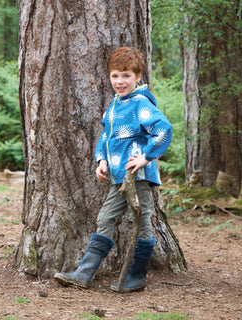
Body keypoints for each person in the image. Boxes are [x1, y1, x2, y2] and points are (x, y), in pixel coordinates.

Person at [53, 47, 173, 292]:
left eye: (126, 75)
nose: (120, 81)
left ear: (138, 76)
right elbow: (106, 136)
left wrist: (146, 158)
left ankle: (137, 276)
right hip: (118, 178)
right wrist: (102, 161)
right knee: (105, 217)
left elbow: (164, 129)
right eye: (115, 76)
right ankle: (83, 274)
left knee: (142, 222)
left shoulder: (140, 102)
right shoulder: (116, 104)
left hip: (137, 176)